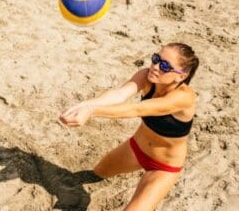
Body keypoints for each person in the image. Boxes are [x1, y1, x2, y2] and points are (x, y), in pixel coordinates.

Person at [60, 44, 199, 211]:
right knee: (97, 172)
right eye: (156, 59)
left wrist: (91, 111)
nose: (155, 67)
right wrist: (83, 105)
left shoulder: (183, 98)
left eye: (164, 66)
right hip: (135, 149)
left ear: (180, 76)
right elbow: (119, 95)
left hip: (164, 167)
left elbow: (136, 109)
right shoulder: (146, 76)